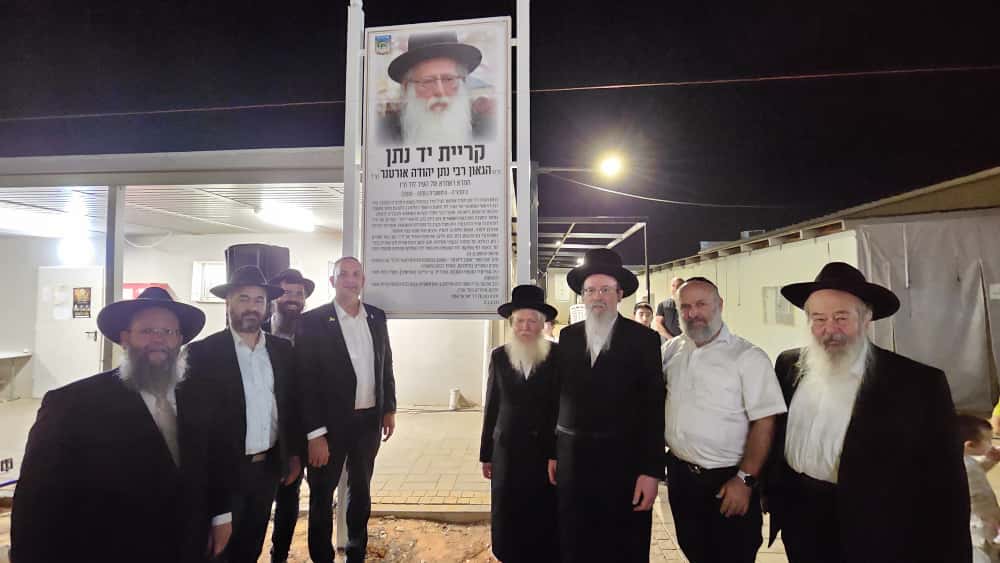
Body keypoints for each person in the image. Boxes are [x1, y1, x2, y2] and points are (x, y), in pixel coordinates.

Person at [764, 262, 970, 562]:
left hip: (872, 528)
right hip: (798, 517)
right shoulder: (788, 366)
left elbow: (946, 484)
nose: (829, 330)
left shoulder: (917, 383)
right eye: (818, 319)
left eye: (841, 318)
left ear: (866, 318)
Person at [11, 287, 231, 563]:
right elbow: (35, 500)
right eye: (147, 331)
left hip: (188, 545)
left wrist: (221, 515)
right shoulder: (72, 404)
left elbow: (215, 460)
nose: (158, 340)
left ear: (179, 340)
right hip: (112, 547)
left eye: (168, 332)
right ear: (124, 338)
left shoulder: (199, 395)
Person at [550, 248, 664, 562]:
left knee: (623, 545)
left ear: (620, 294)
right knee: (575, 541)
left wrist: (651, 471)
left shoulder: (644, 340)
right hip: (574, 463)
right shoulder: (568, 337)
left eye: (604, 290)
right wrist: (553, 451)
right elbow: (559, 397)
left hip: (624, 465)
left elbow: (654, 408)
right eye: (590, 291)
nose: (596, 297)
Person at [661, 277, 786, 563]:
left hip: (728, 481)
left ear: (720, 305)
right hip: (682, 478)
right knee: (694, 550)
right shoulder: (672, 351)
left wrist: (745, 480)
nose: (693, 313)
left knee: (733, 554)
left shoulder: (748, 357)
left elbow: (765, 421)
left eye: (701, 304)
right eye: (685, 307)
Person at [186, 266, 302, 563]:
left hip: (266, 471)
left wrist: (292, 453)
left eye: (259, 300)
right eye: (243, 298)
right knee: (217, 552)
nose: (252, 307)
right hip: (224, 472)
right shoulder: (203, 354)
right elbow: (196, 428)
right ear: (228, 303)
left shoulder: (281, 350)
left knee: (251, 549)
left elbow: (289, 407)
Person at [297, 256, 398, 563]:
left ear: (363, 280)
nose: (350, 280)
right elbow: (305, 382)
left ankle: (356, 552)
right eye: (343, 274)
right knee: (321, 495)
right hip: (328, 427)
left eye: (356, 274)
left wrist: (389, 408)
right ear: (333, 281)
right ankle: (322, 556)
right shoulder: (312, 321)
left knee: (361, 491)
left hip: (368, 421)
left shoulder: (376, 317)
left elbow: (385, 364)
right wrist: (314, 434)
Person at [480, 285, 561, 562]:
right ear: (512, 324)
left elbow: (561, 408)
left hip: (543, 452)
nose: (525, 327)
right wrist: (486, 454)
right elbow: (492, 405)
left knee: (542, 510)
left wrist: (556, 453)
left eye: (532, 321)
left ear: (542, 324)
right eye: (519, 321)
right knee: (507, 509)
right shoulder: (499, 356)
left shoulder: (557, 356)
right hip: (506, 451)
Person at [264, 268, 314, 563]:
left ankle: (279, 555)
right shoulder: (256, 329)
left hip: (296, 431)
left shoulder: (313, 334)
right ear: (274, 297)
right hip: (259, 431)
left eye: (299, 294)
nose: (293, 299)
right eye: (286, 293)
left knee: (288, 496)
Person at [380, 30, 494, 145]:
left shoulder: (487, 131)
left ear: (462, 82)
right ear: (406, 88)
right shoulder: (383, 134)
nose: (440, 91)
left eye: (448, 79)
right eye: (427, 81)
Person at [959, 414, 1000, 563]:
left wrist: (991, 460)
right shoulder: (960, 467)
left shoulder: (967, 460)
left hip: (988, 522)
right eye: (988, 441)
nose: (992, 444)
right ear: (969, 445)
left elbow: (977, 471)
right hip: (977, 527)